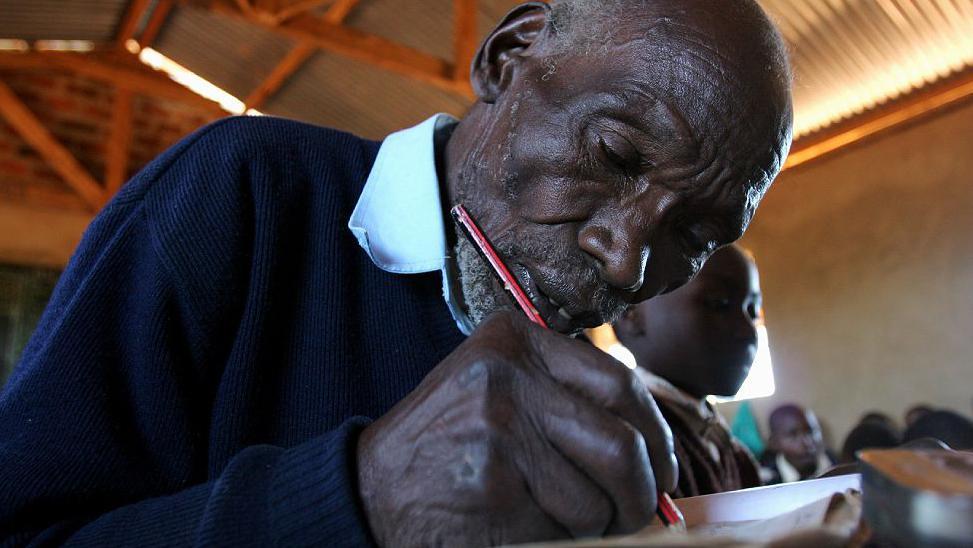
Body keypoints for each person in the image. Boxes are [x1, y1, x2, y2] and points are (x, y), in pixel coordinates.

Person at [0, 1, 793, 545]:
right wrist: (362, 498)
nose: (626, 261)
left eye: (695, 233)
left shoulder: (575, 366)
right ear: (507, 57)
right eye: (614, 154)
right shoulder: (244, 191)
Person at [613, 244, 763, 498]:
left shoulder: (735, 456)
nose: (748, 331)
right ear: (631, 313)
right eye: (720, 303)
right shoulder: (628, 441)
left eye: (752, 310)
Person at [760, 404, 835, 484]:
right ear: (774, 443)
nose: (807, 442)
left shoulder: (832, 463)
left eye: (809, 432)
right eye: (793, 435)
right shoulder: (768, 482)